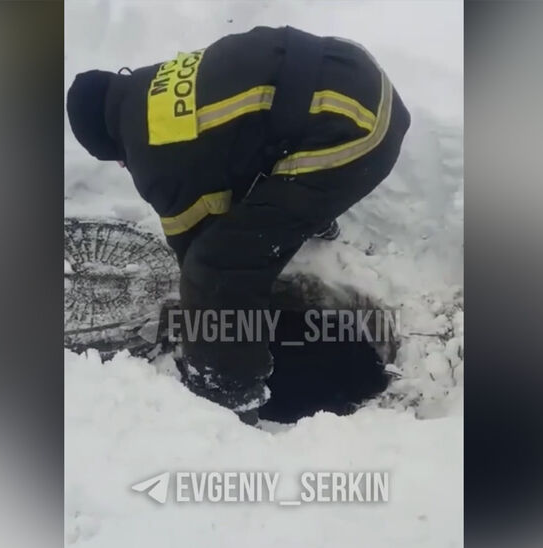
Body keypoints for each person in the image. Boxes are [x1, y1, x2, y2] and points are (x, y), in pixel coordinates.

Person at [66, 25, 410, 424]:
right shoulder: (152, 84)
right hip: (358, 76)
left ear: (111, 146)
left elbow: (199, 253)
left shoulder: (152, 152)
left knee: (215, 270)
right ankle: (309, 212)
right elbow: (234, 146)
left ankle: (228, 395)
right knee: (250, 173)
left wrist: (208, 319)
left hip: (357, 133)